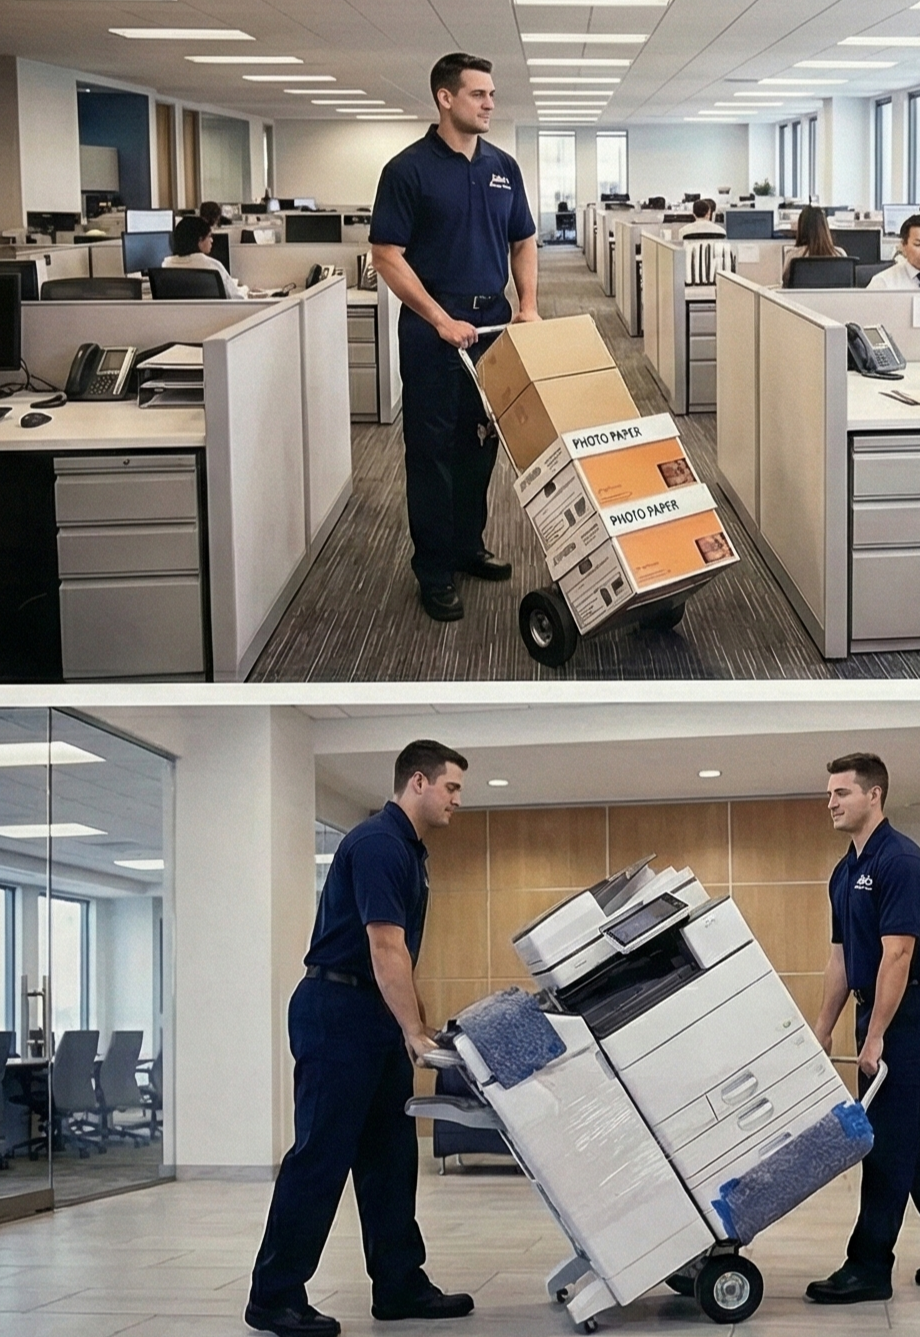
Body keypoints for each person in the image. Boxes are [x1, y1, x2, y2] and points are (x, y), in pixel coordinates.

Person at [244, 741, 476, 1337]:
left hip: (369, 1012)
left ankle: (398, 1284)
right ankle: (274, 1296)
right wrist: (413, 1030)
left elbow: (400, 959)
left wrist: (414, 1026)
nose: (457, 800)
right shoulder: (378, 843)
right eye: (451, 787)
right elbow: (383, 946)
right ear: (417, 782)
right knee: (321, 1156)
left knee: (391, 1158)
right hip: (338, 1009)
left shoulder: (406, 848)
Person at [806, 754, 920, 1304]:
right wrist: (823, 1027)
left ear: (875, 795)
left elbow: (899, 954)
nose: (832, 802)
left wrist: (875, 1035)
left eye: (842, 792)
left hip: (911, 1011)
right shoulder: (844, 872)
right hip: (880, 1008)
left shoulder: (902, 861)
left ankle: (868, 1266)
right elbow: (842, 958)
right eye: (830, 793)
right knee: (907, 1132)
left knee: (886, 1139)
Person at [369, 51, 536, 624]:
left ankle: (468, 545)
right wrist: (439, 319)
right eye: (478, 94)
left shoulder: (503, 166)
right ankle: (435, 569)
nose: (490, 103)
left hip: (491, 326)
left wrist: (529, 306)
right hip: (432, 333)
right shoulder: (408, 169)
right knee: (433, 454)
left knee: (482, 443)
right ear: (446, 97)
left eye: (491, 94)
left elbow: (523, 242)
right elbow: (387, 256)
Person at [163, 215, 247, 297]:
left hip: (178, 311)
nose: (212, 240)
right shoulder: (212, 266)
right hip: (213, 311)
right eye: (209, 236)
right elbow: (236, 297)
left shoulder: (166, 266)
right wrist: (245, 289)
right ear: (200, 240)